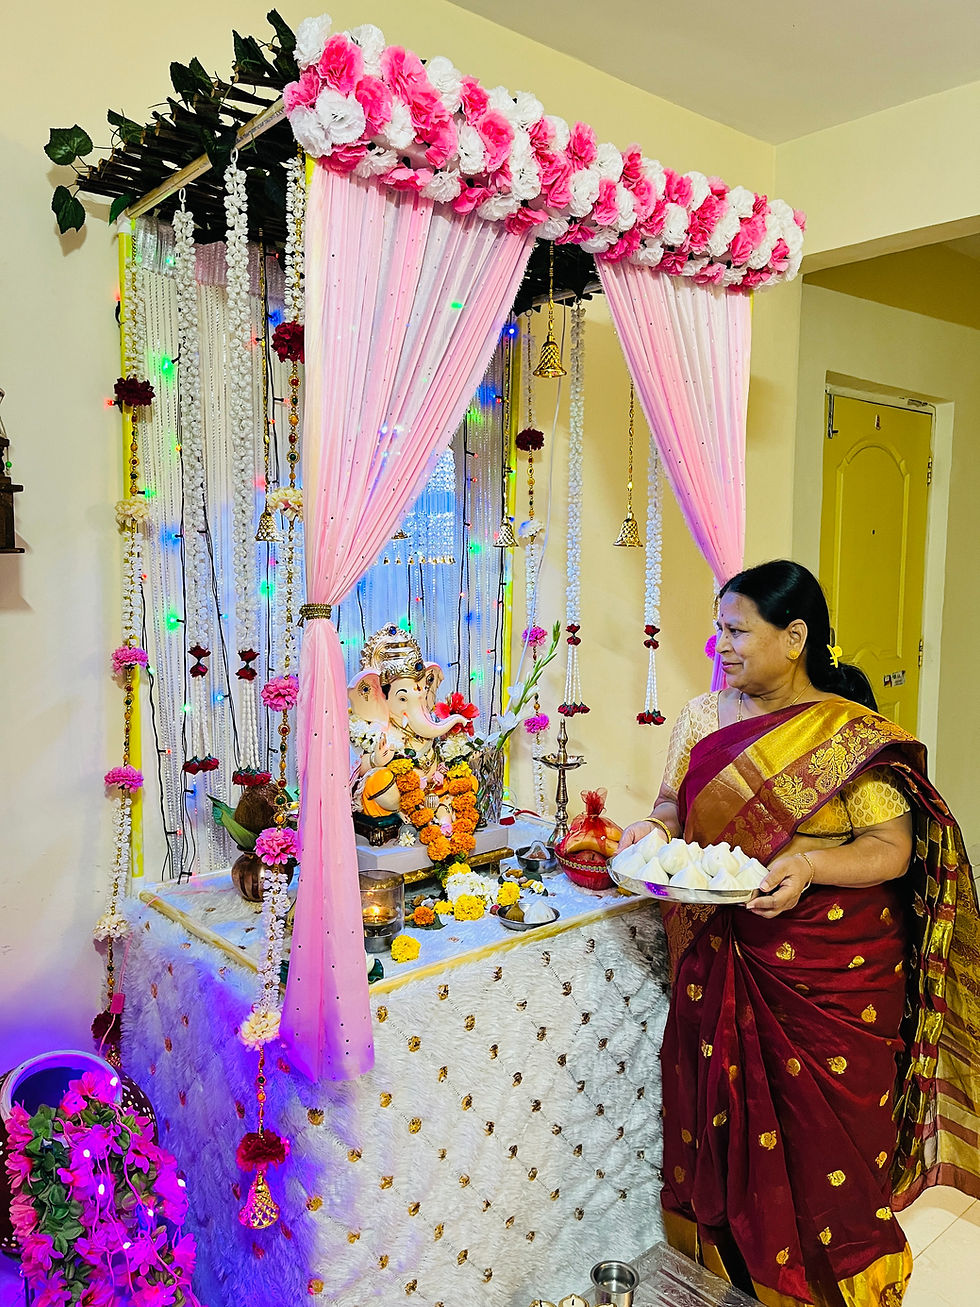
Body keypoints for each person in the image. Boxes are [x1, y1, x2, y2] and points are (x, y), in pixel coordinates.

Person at [620, 560, 980, 1307]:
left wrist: (811, 863)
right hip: (720, 959)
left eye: (736, 630)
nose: (720, 644)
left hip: (828, 973)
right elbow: (669, 811)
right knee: (717, 1133)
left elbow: (892, 847)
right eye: (719, 627)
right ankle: (726, 1286)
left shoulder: (848, 735)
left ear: (794, 637)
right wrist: (647, 831)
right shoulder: (699, 718)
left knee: (825, 1156)